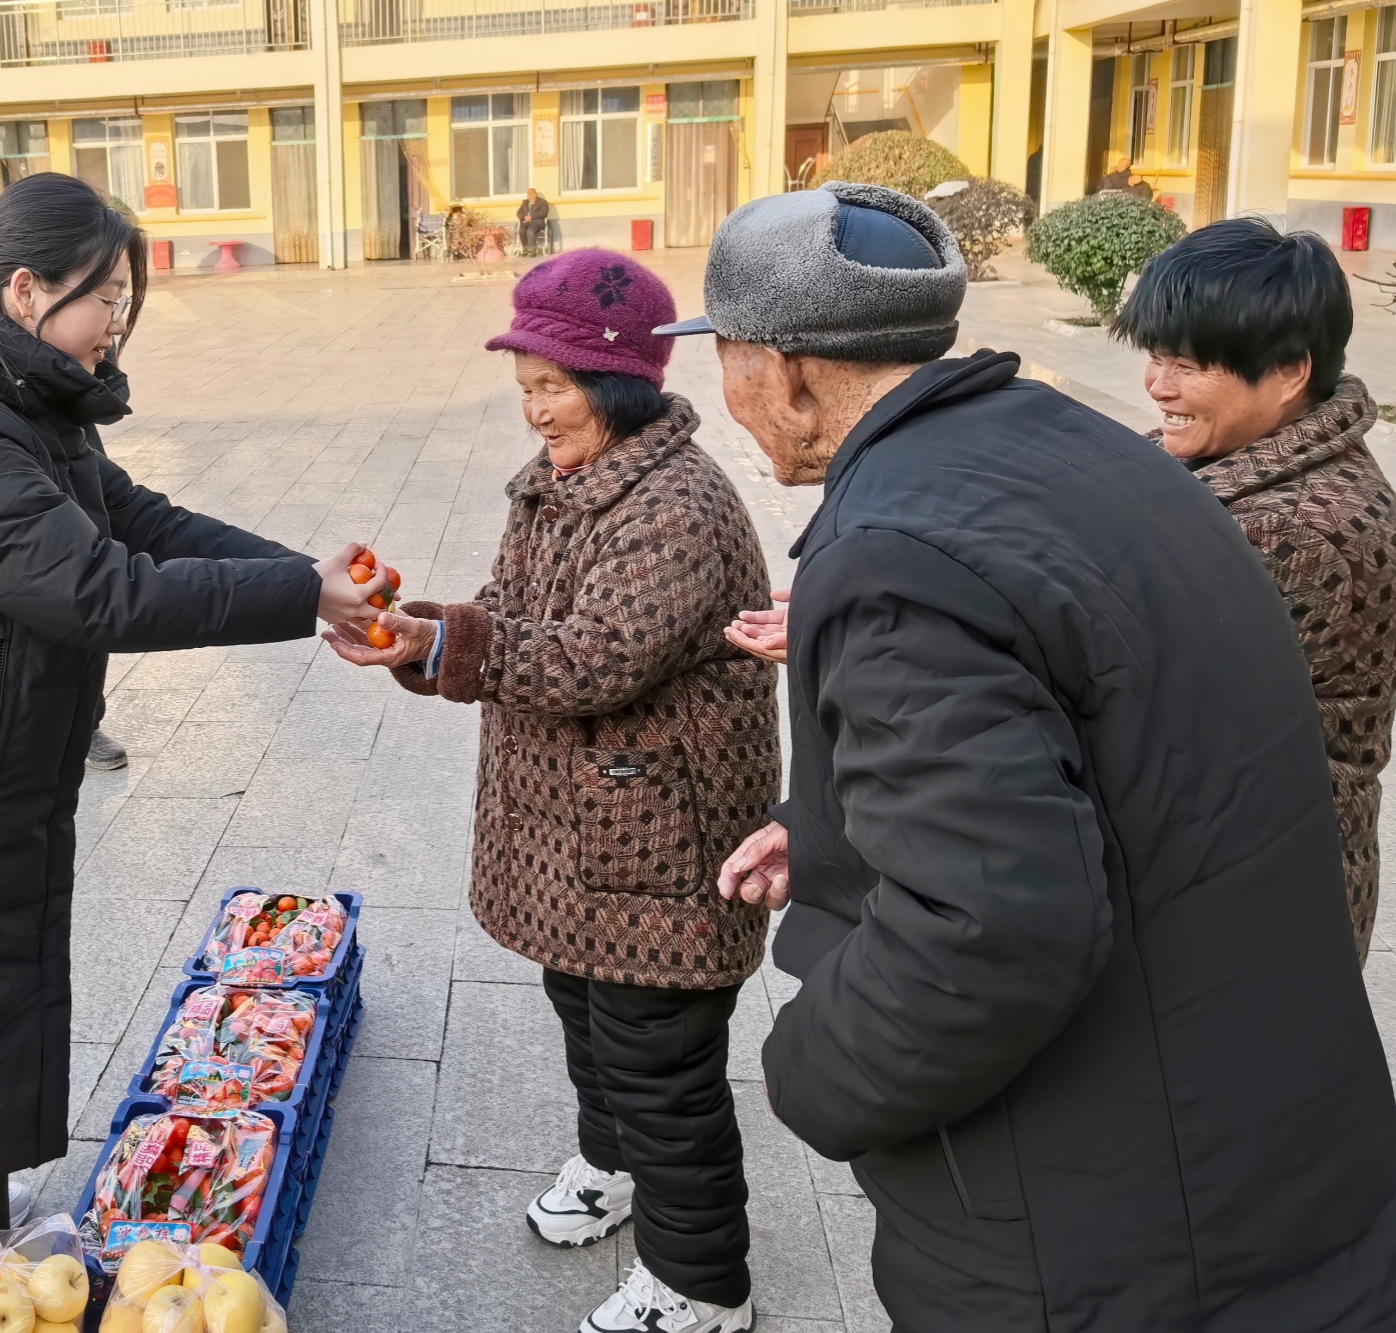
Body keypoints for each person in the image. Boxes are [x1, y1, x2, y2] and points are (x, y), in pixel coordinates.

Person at [683, 183, 1396, 1328]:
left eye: (721, 361)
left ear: (785, 369)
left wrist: (808, 1065)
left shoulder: (890, 555)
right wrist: (825, 832)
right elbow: (1073, 738)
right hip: (1266, 1137)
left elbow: (993, 928)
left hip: (1103, 1229)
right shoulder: (1070, 443)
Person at [0, 172, 387, 1327]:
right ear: (24, 289)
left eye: (123, 295)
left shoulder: (18, 396)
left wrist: (311, 582)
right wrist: (298, 594)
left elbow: (136, 517)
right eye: (102, 294)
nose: (117, 318)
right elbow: (100, 588)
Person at [325, 249, 778, 1333]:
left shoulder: (673, 504)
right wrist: (413, 627)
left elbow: (593, 658)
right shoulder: (561, 484)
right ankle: (609, 1165)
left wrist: (442, 643)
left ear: (618, 381)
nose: (532, 409)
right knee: (586, 1009)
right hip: (582, 831)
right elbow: (507, 609)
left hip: (657, 834)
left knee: (660, 1059)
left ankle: (703, 1282)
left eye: (550, 386)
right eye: (523, 385)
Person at [1114, 218, 1395, 963]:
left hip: (1256, 895)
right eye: (1156, 355)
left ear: (1290, 372)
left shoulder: (1291, 527)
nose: (1158, 385)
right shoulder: (1241, 459)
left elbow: (1118, 685)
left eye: (1189, 364)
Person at [517, 187, 550, 256]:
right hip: (526, 222)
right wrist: (524, 217)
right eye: (529, 194)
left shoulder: (542, 202)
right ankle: (525, 248)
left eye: (533, 194)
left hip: (537, 222)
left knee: (530, 231)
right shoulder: (525, 203)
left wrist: (531, 217)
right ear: (527, 195)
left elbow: (543, 212)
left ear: (536, 194)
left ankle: (532, 250)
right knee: (521, 230)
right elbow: (519, 212)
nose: (531, 196)